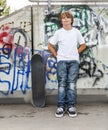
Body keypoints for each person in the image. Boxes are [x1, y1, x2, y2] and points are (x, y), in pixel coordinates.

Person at [48, 11, 86, 118]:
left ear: (71, 20)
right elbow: (50, 45)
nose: (65, 20)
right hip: (62, 61)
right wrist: (57, 56)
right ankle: (60, 107)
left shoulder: (76, 32)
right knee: (62, 84)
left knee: (72, 84)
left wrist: (75, 53)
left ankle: (71, 107)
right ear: (61, 20)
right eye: (63, 18)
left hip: (74, 61)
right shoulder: (58, 32)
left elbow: (83, 45)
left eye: (67, 18)